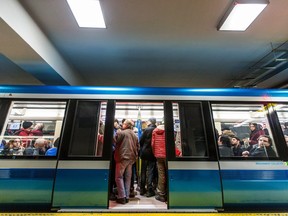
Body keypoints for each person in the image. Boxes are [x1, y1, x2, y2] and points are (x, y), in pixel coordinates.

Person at [114, 119, 139, 204]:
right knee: (128, 178)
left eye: (123, 123)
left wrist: (117, 132)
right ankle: (127, 196)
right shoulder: (135, 135)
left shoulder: (122, 133)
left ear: (126, 125)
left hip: (122, 157)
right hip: (131, 159)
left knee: (118, 177)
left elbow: (115, 141)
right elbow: (137, 147)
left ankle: (122, 197)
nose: (122, 125)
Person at [139, 117, 157, 197]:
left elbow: (141, 141)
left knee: (143, 171)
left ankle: (142, 189)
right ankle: (149, 190)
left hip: (145, 153)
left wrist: (143, 148)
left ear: (150, 122)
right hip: (153, 153)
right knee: (150, 171)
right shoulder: (156, 130)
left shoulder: (146, 130)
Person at [151, 123, 167, 202]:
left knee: (161, 174)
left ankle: (161, 193)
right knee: (169, 173)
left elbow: (153, 144)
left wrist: (155, 153)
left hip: (158, 155)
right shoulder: (168, 130)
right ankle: (169, 192)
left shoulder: (154, 131)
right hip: (167, 154)